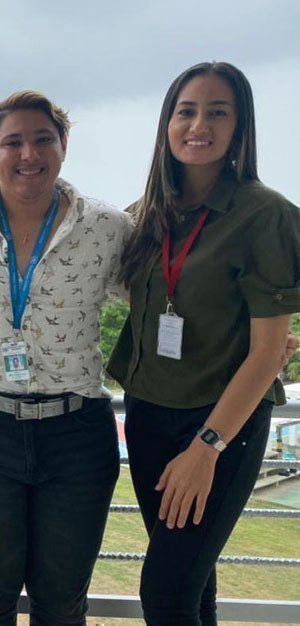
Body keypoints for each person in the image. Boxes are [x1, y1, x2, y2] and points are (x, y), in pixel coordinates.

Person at [0, 91, 132, 626]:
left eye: (42, 139)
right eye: (12, 142)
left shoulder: (110, 230)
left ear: (64, 146)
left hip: (75, 434)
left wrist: (255, 336)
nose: (28, 154)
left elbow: (161, 297)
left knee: (62, 605)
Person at [107, 61, 300, 625]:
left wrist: (206, 446)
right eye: (186, 111)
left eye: (219, 112)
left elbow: (267, 352)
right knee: (193, 589)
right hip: (147, 416)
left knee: (164, 595)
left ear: (241, 127)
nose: (200, 125)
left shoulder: (266, 216)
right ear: (167, 123)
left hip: (220, 428)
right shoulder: (146, 216)